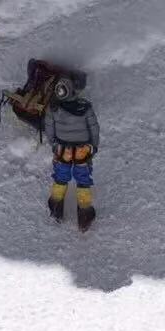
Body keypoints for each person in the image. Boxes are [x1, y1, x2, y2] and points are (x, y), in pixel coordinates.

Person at [46, 77, 99, 231]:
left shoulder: (53, 108)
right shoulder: (85, 108)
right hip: (82, 151)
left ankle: (56, 209)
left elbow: (49, 130)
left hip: (63, 151)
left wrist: (55, 145)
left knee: (60, 178)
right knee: (83, 179)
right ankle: (84, 216)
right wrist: (93, 147)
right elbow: (94, 129)